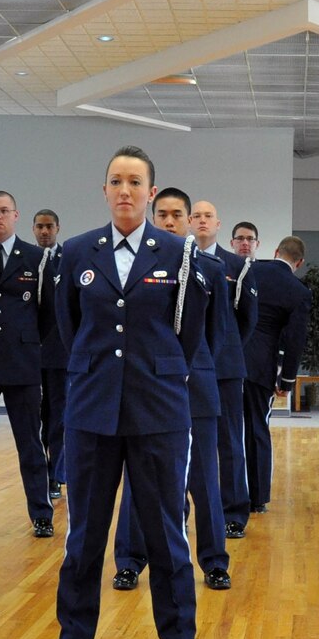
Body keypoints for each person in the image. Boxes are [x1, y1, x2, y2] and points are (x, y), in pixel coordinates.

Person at [48, 147, 207, 639]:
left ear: (152, 193)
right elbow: (69, 328)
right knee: (85, 534)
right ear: (104, 190)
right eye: (115, 180)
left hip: (159, 408)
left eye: (135, 182)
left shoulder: (180, 254)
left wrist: (155, 372)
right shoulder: (75, 252)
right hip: (92, 409)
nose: (124, 190)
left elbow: (188, 334)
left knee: (165, 532)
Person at [112, 187, 231, 592]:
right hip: (144, 389)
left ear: (189, 220)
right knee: (137, 481)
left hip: (195, 389)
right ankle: (129, 560)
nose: (168, 222)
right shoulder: (135, 266)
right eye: (161, 214)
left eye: (176, 215)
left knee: (204, 479)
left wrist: (188, 366)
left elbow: (218, 334)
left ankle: (214, 561)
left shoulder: (210, 270)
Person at [0, 189, 57, 537]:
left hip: (22, 365)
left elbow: (49, 315)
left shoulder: (37, 258)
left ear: (16, 215)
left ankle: (40, 513)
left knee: (30, 443)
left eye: (4, 211)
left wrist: (28, 342)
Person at [190, 199, 259, 537]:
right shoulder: (177, 259)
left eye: (208, 216)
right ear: (190, 222)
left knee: (230, 440)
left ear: (219, 224)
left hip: (226, 366)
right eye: (197, 216)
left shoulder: (236, 265)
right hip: (188, 366)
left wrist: (225, 349)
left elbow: (247, 318)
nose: (202, 221)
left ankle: (234, 512)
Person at [242, 228, 309, 514]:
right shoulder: (299, 292)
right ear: (299, 263)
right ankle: (256, 498)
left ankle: (228, 494)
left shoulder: (248, 271)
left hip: (229, 360)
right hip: (260, 366)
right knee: (257, 428)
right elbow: (295, 340)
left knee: (228, 431)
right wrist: (287, 380)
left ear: (275, 253)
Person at [32, 208, 66, 499]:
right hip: (29, 353)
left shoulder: (68, 260)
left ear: (57, 229)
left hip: (60, 352)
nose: (44, 232)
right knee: (33, 416)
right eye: (40, 227)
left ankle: (56, 473)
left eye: (49, 227)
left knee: (58, 415)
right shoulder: (27, 261)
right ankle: (39, 471)